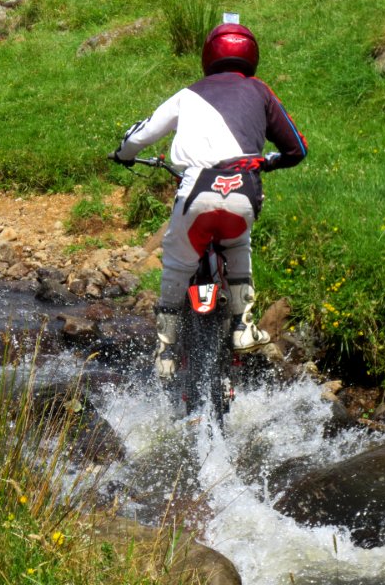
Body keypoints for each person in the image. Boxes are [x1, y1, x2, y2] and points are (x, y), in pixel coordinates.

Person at [111, 21, 308, 379]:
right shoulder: (261, 91)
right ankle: (243, 325)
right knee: (238, 245)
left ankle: (165, 349)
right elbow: (297, 148)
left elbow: (142, 135)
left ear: (207, 55)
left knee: (176, 262)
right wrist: (270, 161)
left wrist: (123, 153)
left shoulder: (187, 94)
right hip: (244, 191)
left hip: (197, 192)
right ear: (252, 55)